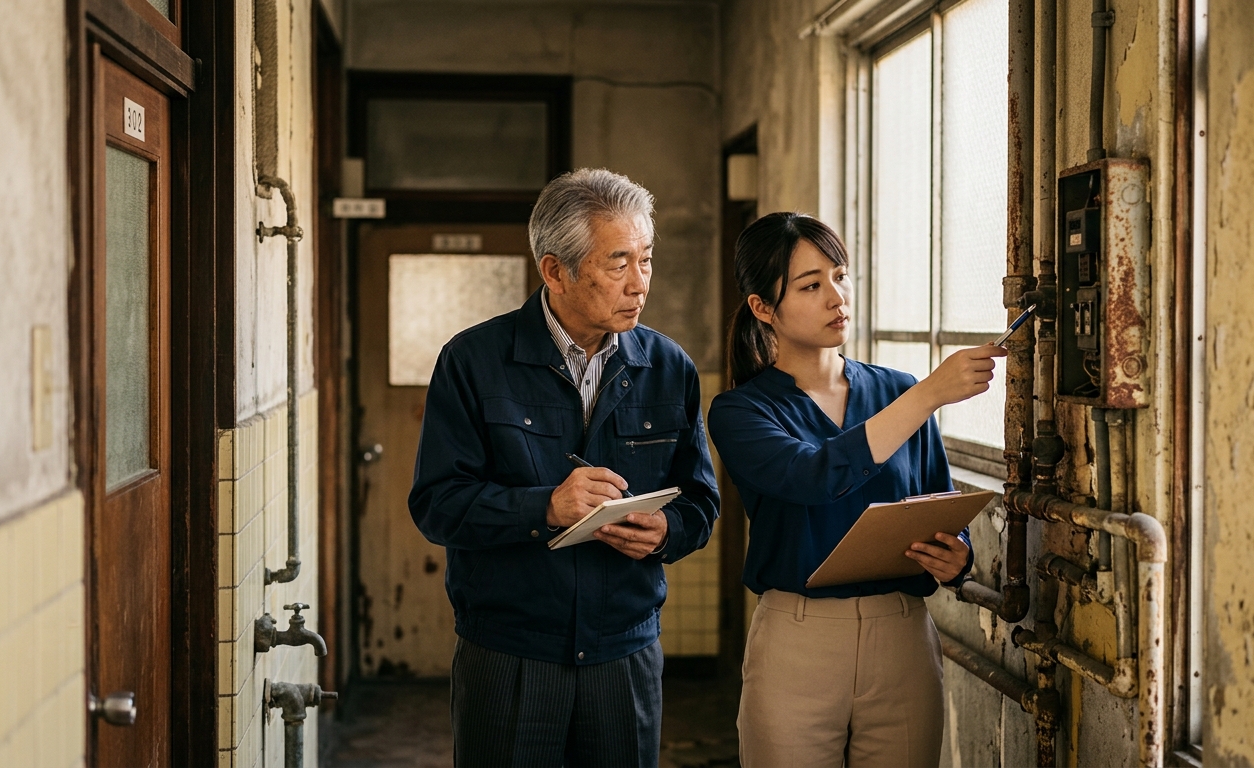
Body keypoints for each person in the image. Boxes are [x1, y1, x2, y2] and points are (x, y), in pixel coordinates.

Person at [408, 168, 720, 767]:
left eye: (647, 260)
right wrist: (544, 507)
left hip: (625, 656)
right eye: (619, 262)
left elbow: (701, 503)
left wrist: (667, 532)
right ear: (555, 271)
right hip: (510, 655)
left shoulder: (669, 367)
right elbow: (437, 504)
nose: (640, 284)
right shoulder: (474, 362)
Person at [708, 212, 1007, 767]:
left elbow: (936, 501)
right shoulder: (742, 410)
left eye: (840, 277)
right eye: (811, 285)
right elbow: (813, 475)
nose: (836, 297)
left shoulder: (895, 389)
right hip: (798, 639)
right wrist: (929, 396)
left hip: (903, 635)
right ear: (762, 308)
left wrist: (957, 557)